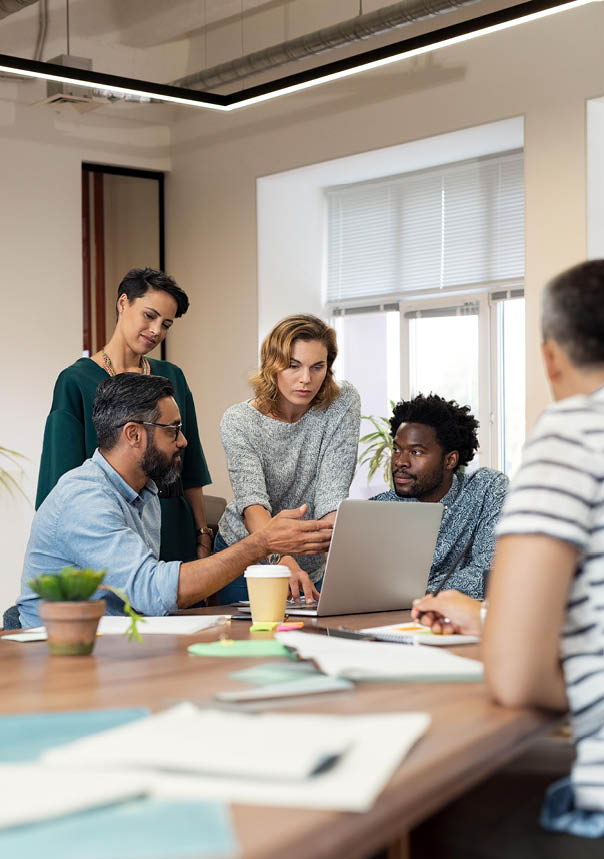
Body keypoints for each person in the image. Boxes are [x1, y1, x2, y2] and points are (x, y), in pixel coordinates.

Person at [411, 259, 604, 852]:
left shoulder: (571, 432)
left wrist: (513, 643)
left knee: (419, 814)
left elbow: (517, 679)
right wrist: (493, 620)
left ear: (550, 357)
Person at [17, 374, 333, 628]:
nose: (183, 441)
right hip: (60, 656)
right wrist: (260, 543)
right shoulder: (84, 498)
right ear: (133, 434)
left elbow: (145, 600)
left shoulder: (146, 492)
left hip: (120, 646)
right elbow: (152, 591)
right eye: (173, 430)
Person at [35, 267, 213, 565]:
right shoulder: (76, 381)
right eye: (149, 315)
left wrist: (202, 535)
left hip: (173, 528)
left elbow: (190, 465)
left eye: (166, 324)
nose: (157, 330)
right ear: (123, 303)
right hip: (107, 528)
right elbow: (59, 480)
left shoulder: (173, 378)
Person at [215, 314, 361, 605]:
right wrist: (281, 557)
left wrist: (343, 569)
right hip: (249, 555)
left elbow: (332, 496)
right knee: (253, 644)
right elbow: (253, 504)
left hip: (310, 561)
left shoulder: (342, 403)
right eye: (293, 366)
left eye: (317, 367)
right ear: (272, 365)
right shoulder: (240, 421)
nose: (306, 379)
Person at [370, 394, 508, 599]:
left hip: (457, 622)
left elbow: (490, 572)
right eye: (397, 450)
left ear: (450, 460)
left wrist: (420, 593)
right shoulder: (378, 509)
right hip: (386, 620)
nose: (400, 462)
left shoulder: (486, 489)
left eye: (416, 452)